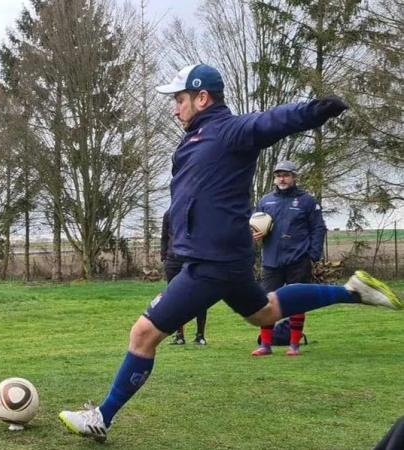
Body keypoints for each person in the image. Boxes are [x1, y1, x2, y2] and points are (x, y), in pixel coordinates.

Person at [57, 63, 402, 442]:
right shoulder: (194, 140)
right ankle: (353, 292)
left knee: (142, 334)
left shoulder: (229, 131)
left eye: (179, 99)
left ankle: (101, 417)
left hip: (212, 263)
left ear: (202, 97)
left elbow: (271, 121)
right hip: (222, 257)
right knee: (266, 313)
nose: (175, 108)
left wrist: (316, 110)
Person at [251, 160, 327, 357]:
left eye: (285, 175)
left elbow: (318, 228)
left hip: (298, 260)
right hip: (271, 261)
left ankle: (294, 345)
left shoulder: (307, 201)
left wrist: (313, 255)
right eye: (278, 175)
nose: (281, 179)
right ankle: (265, 345)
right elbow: (254, 226)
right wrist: (254, 234)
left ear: (294, 177)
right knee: (266, 303)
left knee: (297, 302)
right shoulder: (265, 201)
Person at [161, 207, 207, 345]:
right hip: (173, 261)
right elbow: (164, 236)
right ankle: (179, 335)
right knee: (175, 298)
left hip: (194, 260)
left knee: (200, 297)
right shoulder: (169, 213)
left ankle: (200, 336)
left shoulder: (199, 212)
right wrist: (164, 256)